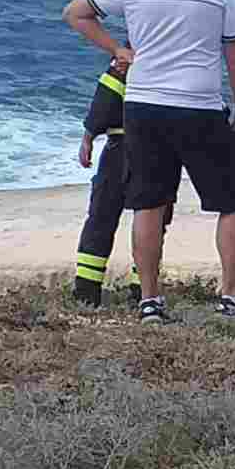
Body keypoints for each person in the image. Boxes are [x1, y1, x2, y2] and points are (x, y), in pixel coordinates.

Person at [63, 0, 235, 324]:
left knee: (148, 201)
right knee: (233, 201)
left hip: (144, 108)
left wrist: (117, 50)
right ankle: (232, 299)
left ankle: (150, 301)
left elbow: (75, 12)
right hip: (199, 106)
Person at [73, 48, 176, 307]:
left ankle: (86, 293)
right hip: (163, 149)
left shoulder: (128, 54)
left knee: (102, 216)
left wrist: (88, 137)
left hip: (122, 146)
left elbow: (107, 96)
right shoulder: (179, 53)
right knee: (153, 221)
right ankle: (143, 293)